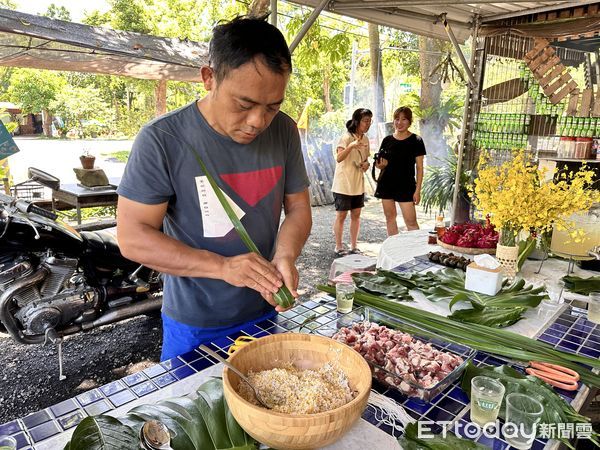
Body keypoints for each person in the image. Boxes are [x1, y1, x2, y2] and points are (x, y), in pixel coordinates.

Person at [116, 16, 312, 361]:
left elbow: (298, 208)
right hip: (194, 321)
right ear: (209, 78)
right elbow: (132, 237)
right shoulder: (162, 139)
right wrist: (223, 267)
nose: (258, 122)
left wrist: (285, 255)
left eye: (272, 106)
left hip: (263, 311)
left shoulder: (283, 131)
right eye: (244, 104)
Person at [374, 106, 426, 235]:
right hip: (386, 184)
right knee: (390, 219)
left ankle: (417, 251)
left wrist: (417, 190)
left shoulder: (416, 140)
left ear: (409, 122)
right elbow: (379, 164)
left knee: (411, 222)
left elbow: (419, 168)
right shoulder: (387, 140)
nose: (399, 123)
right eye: (397, 119)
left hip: (406, 185)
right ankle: (393, 250)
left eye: (404, 119)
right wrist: (380, 165)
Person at [331, 108, 372, 256]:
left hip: (357, 185)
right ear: (357, 121)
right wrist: (351, 146)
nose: (368, 124)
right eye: (365, 121)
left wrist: (366, 165)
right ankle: (338, 246)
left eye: (370, 121)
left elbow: (366, 160)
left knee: (356, 215)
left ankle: (354, 246)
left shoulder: (366, 139)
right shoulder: (346, 137)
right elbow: (339, 158)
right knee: (341, 216)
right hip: (343, 184)